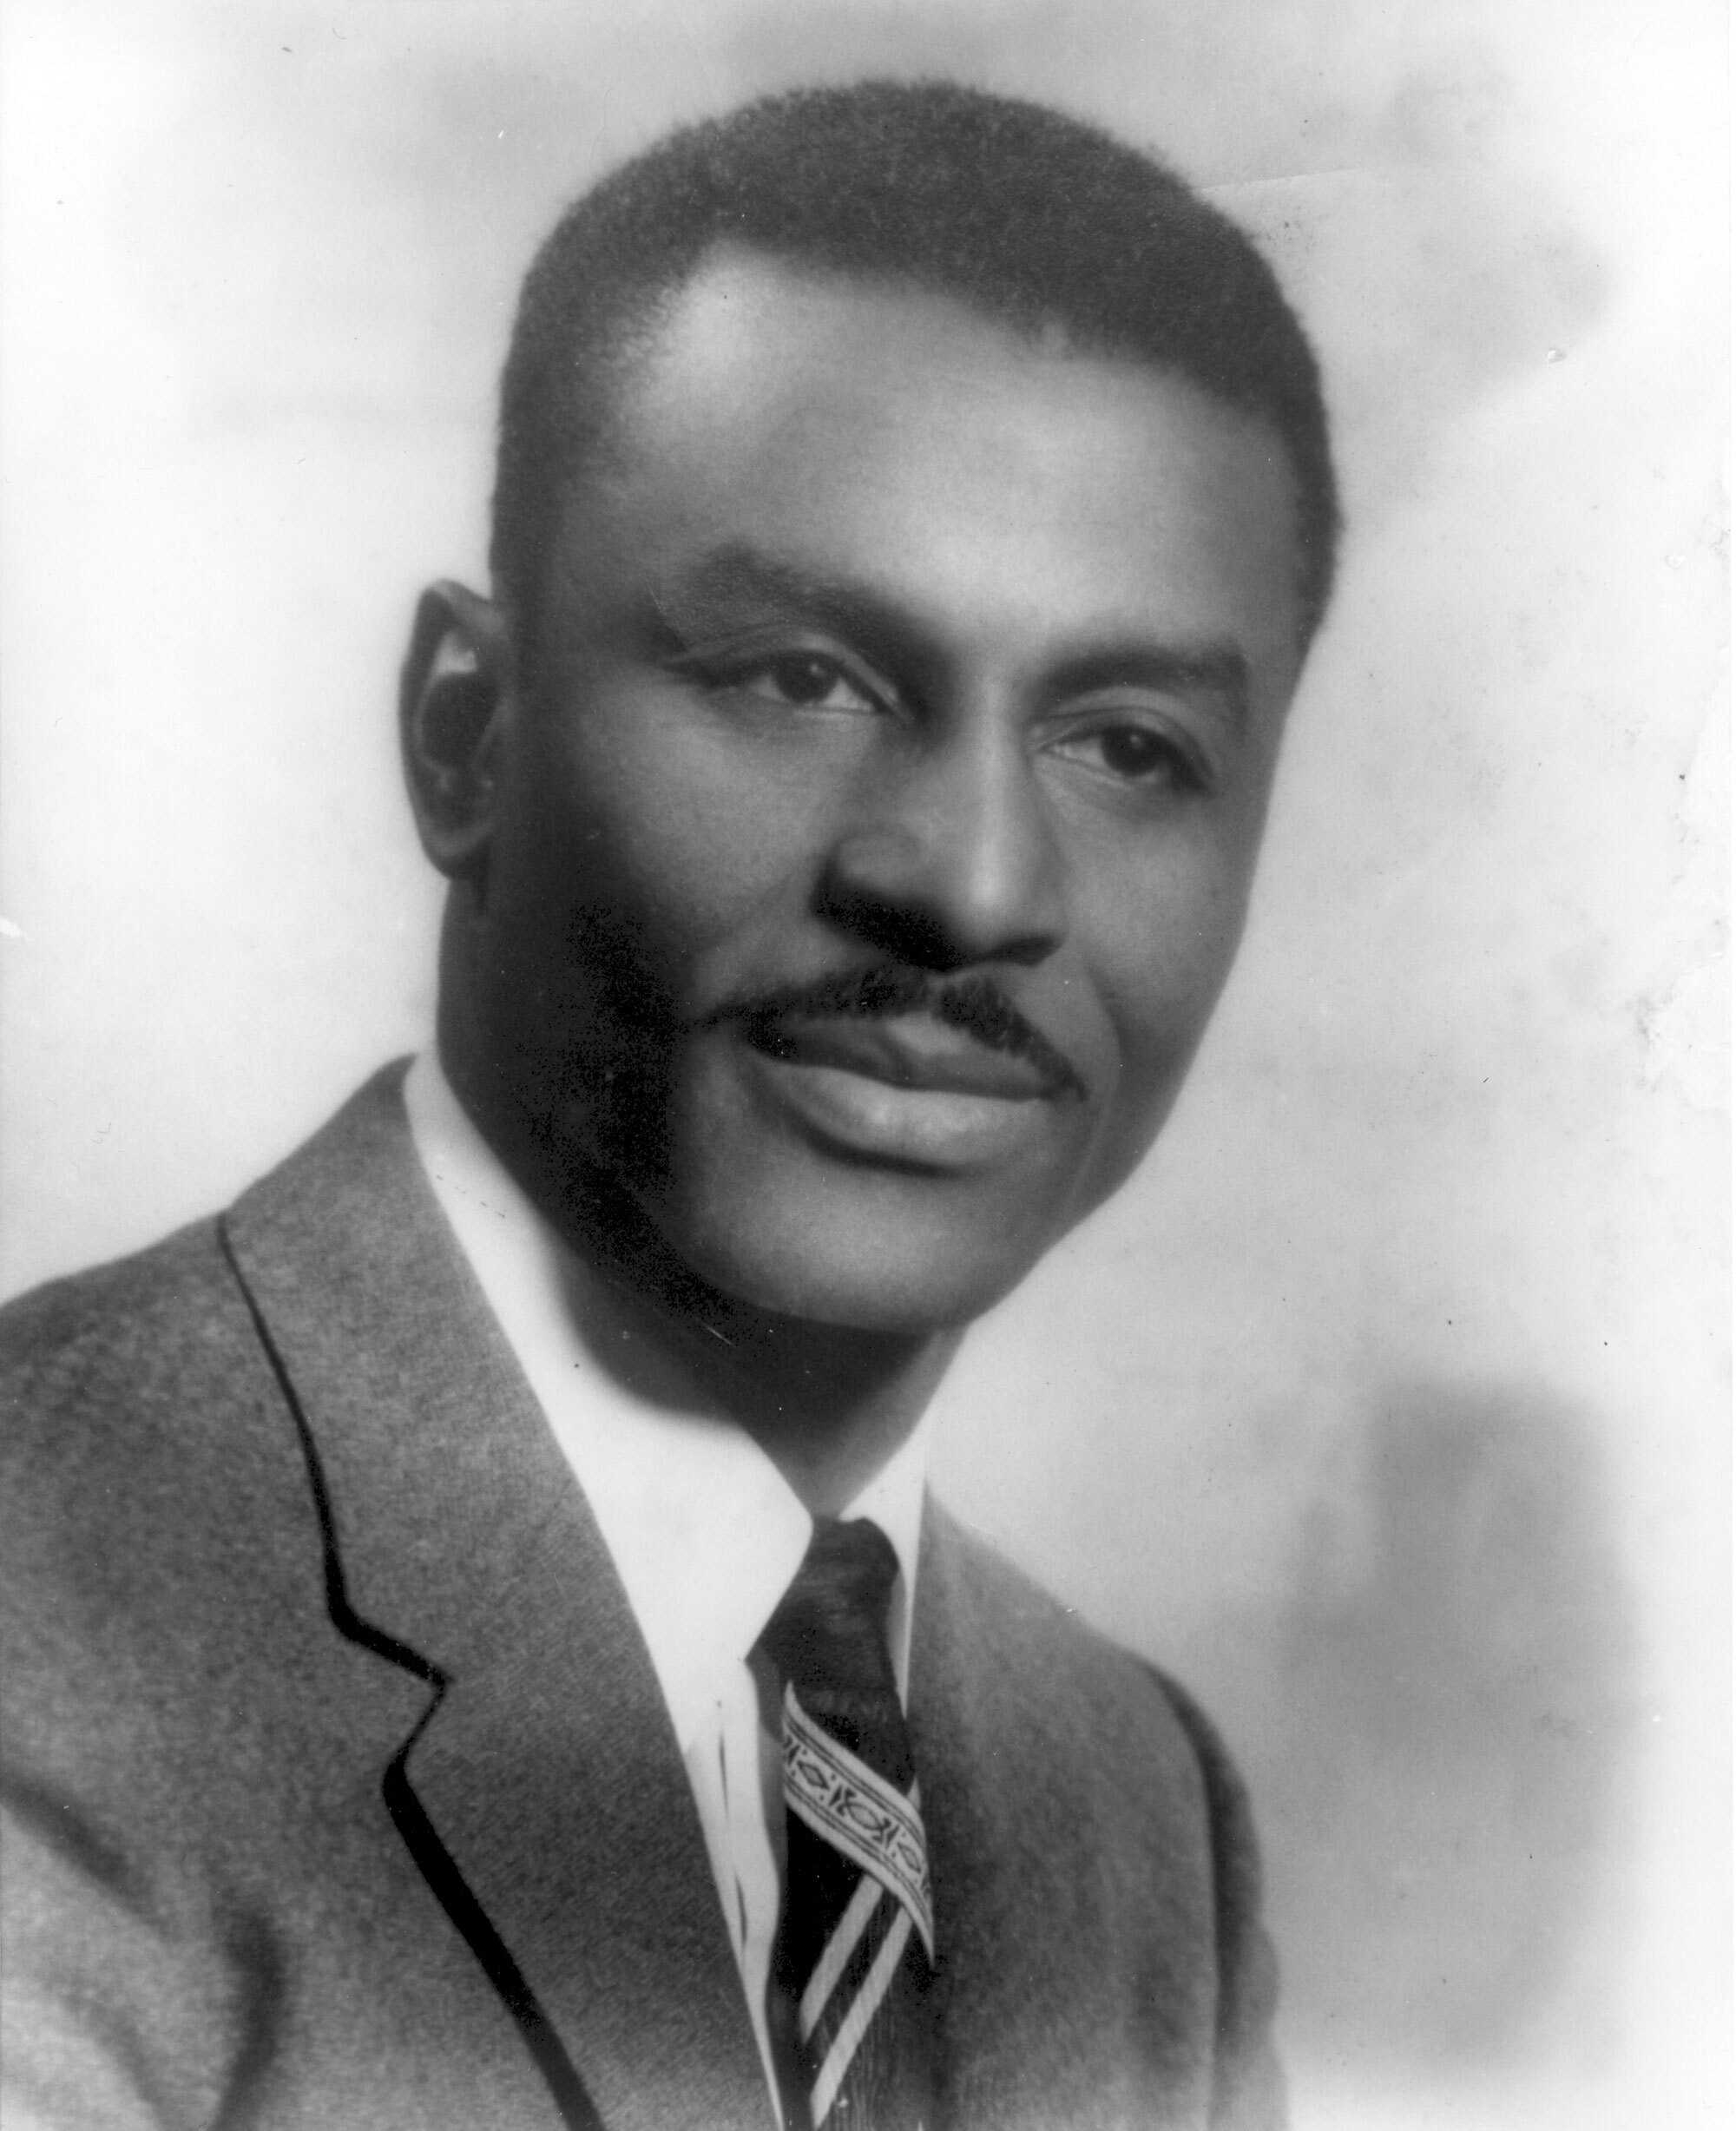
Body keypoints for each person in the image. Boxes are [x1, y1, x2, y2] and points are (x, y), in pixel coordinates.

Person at [0, 78, 1338, 2131]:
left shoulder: (1141, 1811)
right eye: (803, 676)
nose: (971, 886)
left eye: (1127, 744)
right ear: (466, 736)